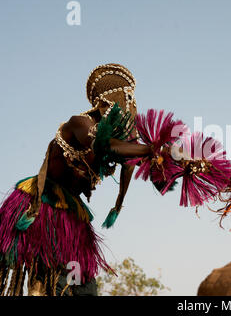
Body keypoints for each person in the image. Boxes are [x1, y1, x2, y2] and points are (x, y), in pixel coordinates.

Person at [0, 64, 154, 296]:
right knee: (45, 281)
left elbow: (138, 161)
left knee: (84, 288)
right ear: (111, 101)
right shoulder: (79, 124)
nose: (132, 107)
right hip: (41, 208)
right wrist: (150, 148)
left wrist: (179, 160)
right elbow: (106, 146)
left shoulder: (120, 140)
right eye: (128, 100)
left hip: (72, 218)